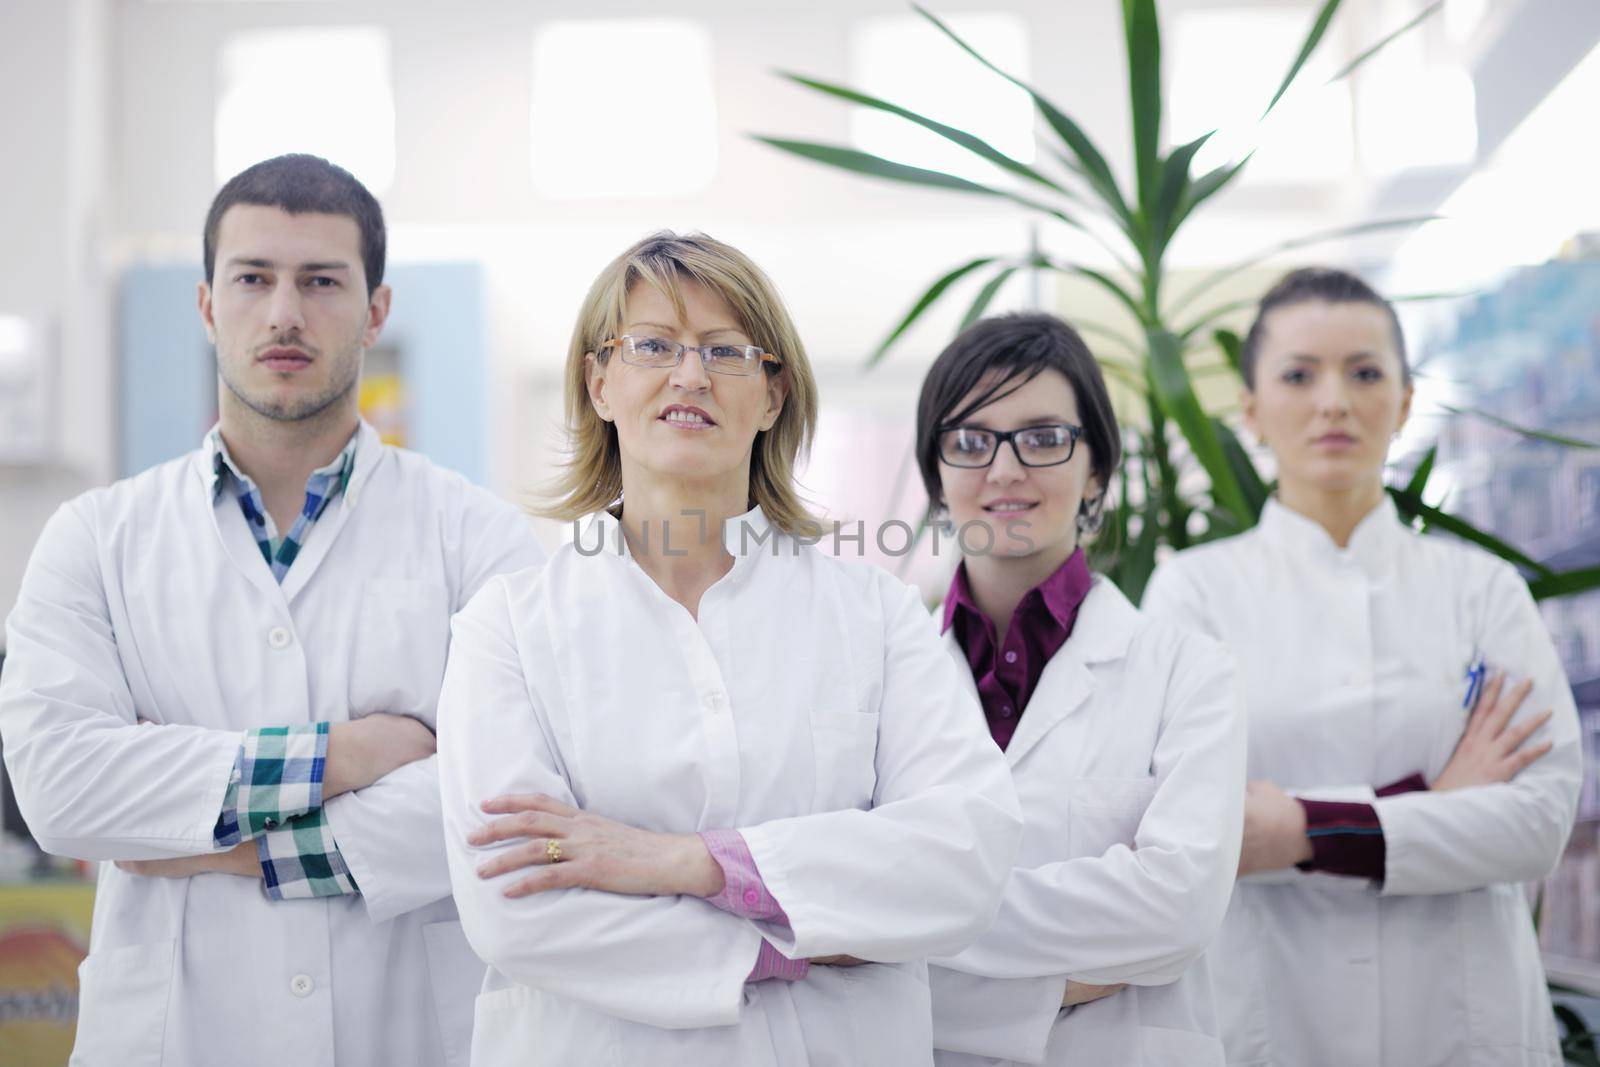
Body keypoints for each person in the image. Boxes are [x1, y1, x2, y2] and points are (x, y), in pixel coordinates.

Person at [0, 154, 544, 1067]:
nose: (285, 312)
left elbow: (504, 801)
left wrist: (212, 845)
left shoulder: (478, 537)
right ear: (210, 304)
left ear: (376, 310)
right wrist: (349, 753)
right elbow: (61, 788)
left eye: (321, 281)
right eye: (253, 278)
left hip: (406, 1033)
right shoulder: (93, 538)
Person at [435, 231, 1022, 1066]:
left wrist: (686, 864)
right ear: (599, 383)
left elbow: (966, 856)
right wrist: (803, 939)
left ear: (773, 395)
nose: (690, 375)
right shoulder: (508, 627)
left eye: (726, 350)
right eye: (652, 345)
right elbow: (515, 904)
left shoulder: (876, 615)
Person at [1142, 267, 1581, 1067]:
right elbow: (1190, 828)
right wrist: (1434, 803)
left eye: (1365, 372)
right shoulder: (1192, 591)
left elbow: (1538, 820)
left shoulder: (1481, 590)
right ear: (1250, 409)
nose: (1334, 400)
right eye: (1299, 375)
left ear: (1406, 401)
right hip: (1268, 1015)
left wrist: (1304, 829)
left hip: (1461, 1018)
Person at [915, 313, 1245, 1066]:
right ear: (937, 472)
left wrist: (918, 921)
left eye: (1043, 437)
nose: (1004, 470)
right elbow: (844, 906)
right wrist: (1060, 979)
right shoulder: (883, 674)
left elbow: (1179, 905)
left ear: (1096, 468)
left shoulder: (1189, 670)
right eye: (970, 440)